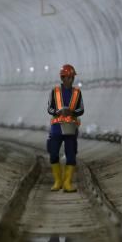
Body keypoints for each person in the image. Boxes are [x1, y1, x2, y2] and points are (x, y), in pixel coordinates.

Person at [47, 64, 84, 192]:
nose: (70, 80)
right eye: (68, 77)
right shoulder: (54, 91)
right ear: (62, 78)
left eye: (72, 77)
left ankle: (67, 182)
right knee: (53, 154)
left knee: (71, 155)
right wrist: (59, 111)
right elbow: (49, 108)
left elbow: (81, 109)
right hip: (57, 128)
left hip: (70, 129)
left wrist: (72, 112)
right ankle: (58, 181)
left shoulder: (77, 93)